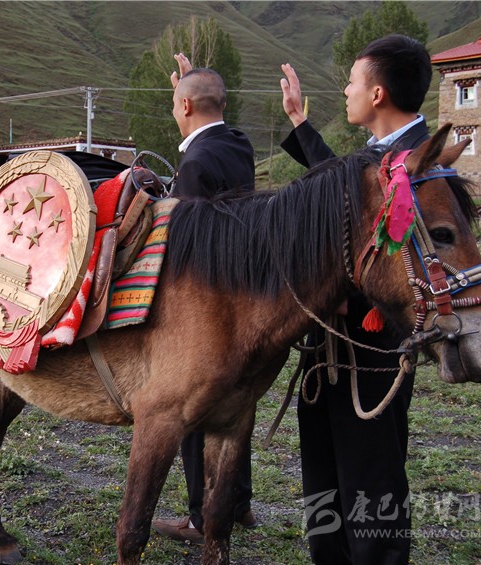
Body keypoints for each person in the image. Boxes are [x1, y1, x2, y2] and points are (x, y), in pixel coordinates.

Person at [278, 34, 432, 565]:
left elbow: (405, 262)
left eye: (351, 82)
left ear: (378, 93)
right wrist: (299, 122)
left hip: (373, 350)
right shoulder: (378, 156)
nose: (345, 91)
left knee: (370, 479)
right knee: (323, 474)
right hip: (330, 346)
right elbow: (340, 188)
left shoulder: (423, 165)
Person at [152, 53, 257, 546]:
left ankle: (200, 516)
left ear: (187, 106)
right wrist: (191, 85)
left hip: (207, 305)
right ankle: (238, 502)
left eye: (177, 104)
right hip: (245, 300)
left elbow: (186, 247)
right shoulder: (237, 144)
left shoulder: (195, 163)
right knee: (236, 409)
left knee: (194, 415)